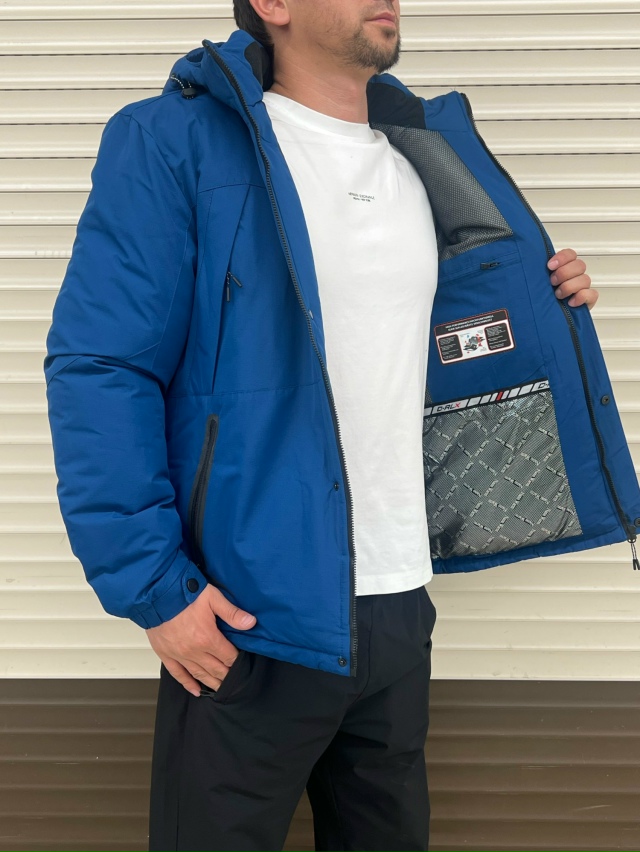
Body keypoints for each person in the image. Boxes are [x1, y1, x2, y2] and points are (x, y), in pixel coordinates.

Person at [46, 1, 640, 850]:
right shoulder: (175, 141)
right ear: (273, 5)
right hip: (247, 609)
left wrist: (546, 304)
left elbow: (437, 339)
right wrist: (154, 589)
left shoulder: (423, 151)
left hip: (398, 599)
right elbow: (102, 367)